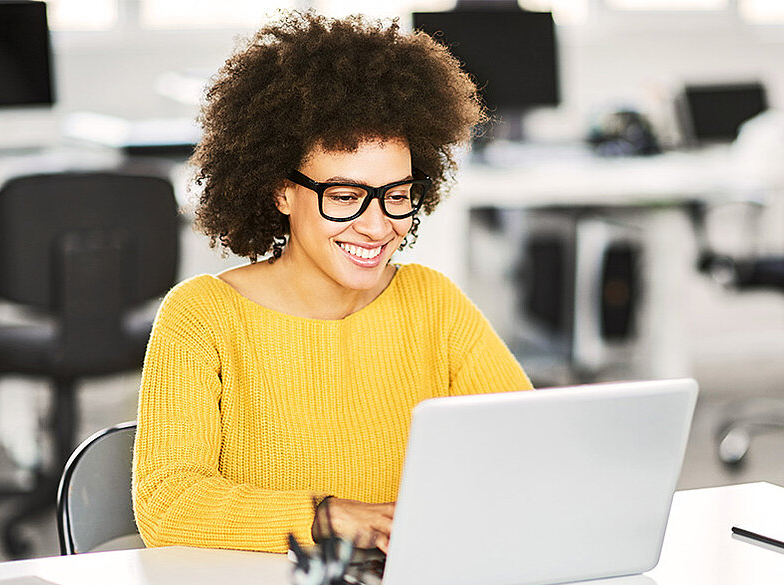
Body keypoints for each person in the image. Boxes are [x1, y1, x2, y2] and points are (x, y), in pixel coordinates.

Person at [133, 11, 532, 555]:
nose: (377, 225)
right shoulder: (203, 316)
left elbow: (529, 447)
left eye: (396, 195)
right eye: (344, 197)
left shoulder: (432, 302)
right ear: (280, 192)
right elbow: (168, 504)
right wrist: (326, 518)